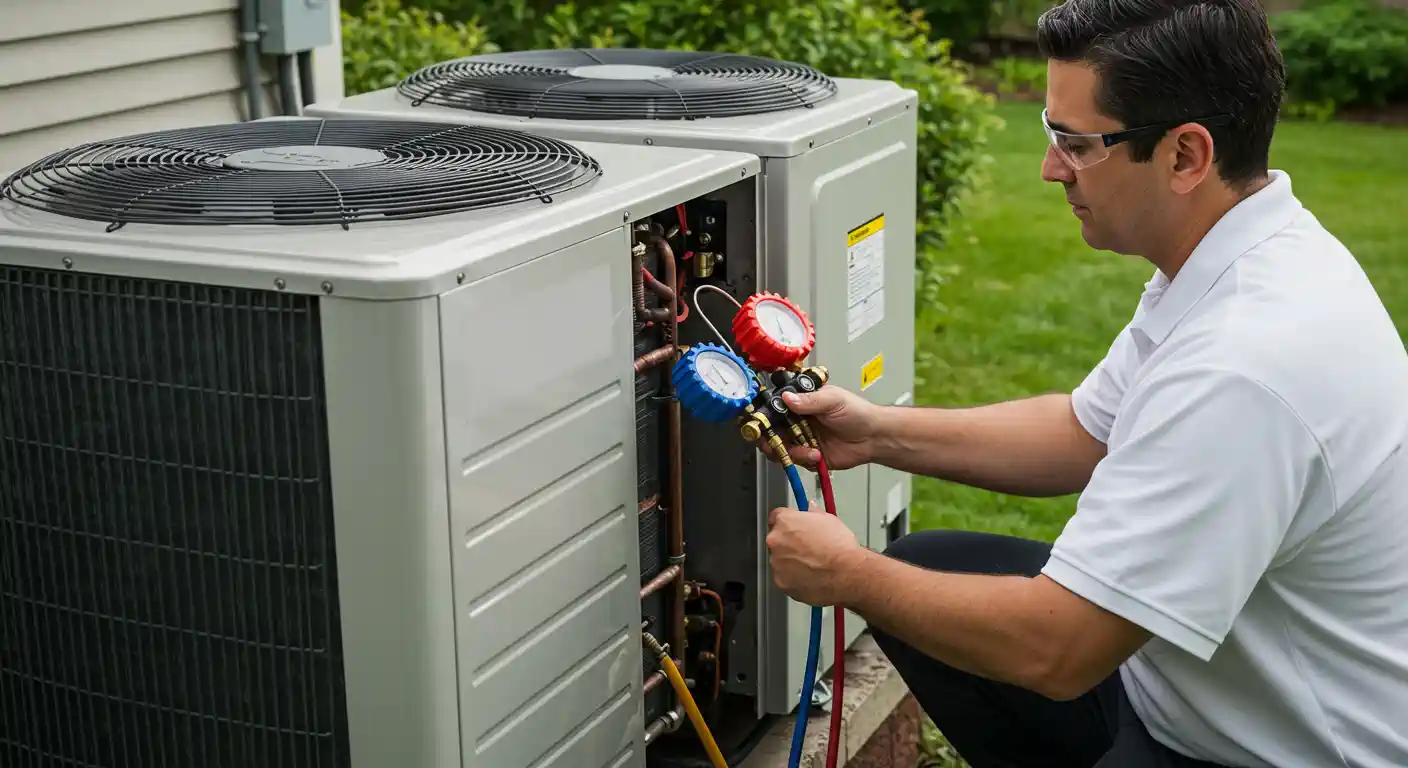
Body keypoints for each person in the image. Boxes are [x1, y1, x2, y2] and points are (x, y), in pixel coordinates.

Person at [759, 0, 1408, 765]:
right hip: (1194, 687)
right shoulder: (1240, 252)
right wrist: (876, 432)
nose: (1049, 167)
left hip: (1272, 750)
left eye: (1077, 144)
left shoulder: (1244, 364)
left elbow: (1058, 650)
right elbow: (1082, 432)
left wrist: (846, 575)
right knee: (930, 567)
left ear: (1185, 156)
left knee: (911, 591)